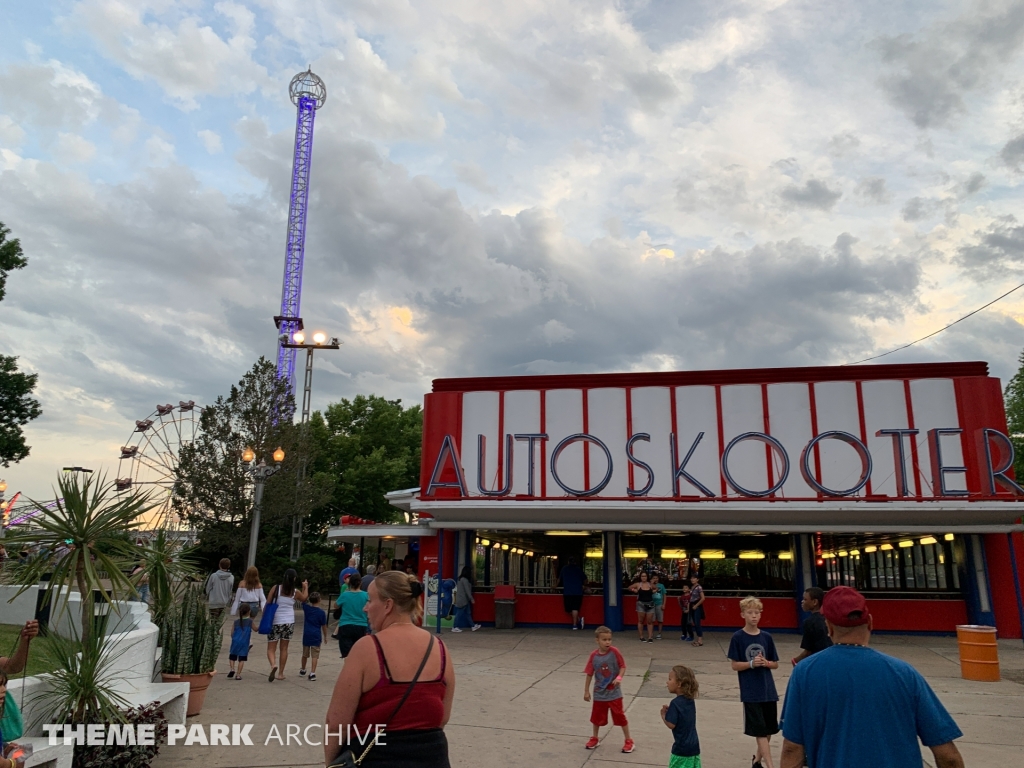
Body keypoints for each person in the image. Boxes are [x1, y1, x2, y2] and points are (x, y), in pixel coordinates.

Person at [780, 586, 964, 768]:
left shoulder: (804, 673)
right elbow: (948, 757)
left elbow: (792, 749)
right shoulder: (904, 674)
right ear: (870, 622)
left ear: (829, 627)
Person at [324, 571, 455, 767]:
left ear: (388, 605)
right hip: (432, 758)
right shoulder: (440, 649)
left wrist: (332, 764)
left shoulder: (367, 649)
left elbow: (336, 724)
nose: (365, 608)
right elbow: (442, 718)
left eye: (370, 600)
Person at [727, 596, 780, 768]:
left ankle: (757, 761)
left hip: (768, 689)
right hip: (751, 691)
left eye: (757, 612)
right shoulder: (738, 637)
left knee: (769, 729)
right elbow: (734, 665)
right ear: (743, 614)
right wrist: (751, 664)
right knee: (760, 732)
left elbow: (775, 663)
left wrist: (766, 663)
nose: (754, 616)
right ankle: (770, 765)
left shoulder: (766, 637)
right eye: (750, 613)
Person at [583, 626, 633, 753]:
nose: (607, 642)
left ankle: (628, 740)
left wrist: (619, 677)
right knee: (596, 717)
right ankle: (595, 738)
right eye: (604, 640)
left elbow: (623, 666)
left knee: (620, 716)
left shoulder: (614, 652)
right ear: (597, 640)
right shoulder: (594, 656)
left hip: (614, 693)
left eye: (609, 639)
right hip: (599, 693)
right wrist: (586, 691)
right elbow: (589, 673)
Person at [266, 568, 308, 682]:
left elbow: (268, 603)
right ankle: (280, 673)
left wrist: (265, 618)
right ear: (294, 579)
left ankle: (273, 665)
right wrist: (305, 587)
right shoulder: (295, 592)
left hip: (275, 621)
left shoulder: (276, 588)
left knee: (271, 648)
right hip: (289, 622)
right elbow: (304, 599)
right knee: (284, 648)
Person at [660, 665, 701, 768]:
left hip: (681, 750)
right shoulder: (690, 700)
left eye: (670, 679)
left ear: (679, 684)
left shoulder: (675, 703)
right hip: (694, 747)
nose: (667, 682)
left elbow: (671, 724)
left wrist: (663, 715)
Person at [791, 586, 831, 666]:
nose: (802, 602)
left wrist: (795, 660)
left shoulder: (809, 622)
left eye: (805, 599)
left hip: (818, 661)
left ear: (815, 602)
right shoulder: (829, 618)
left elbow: (808, 651)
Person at [336, 573, 369, 658]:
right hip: (361, 625)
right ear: (360, 583)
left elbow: (336, 605)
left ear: (350, 583)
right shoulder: (366, 595)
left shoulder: (345, 595)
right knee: (359, 653)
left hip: (346, 625)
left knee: (347, 654)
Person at [300, 592, 328, 681]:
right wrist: (325, 636)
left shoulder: (307, 609)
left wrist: (305, 588)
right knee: (315, 655)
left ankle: (303, 669)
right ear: (319, 600)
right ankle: (312, 673)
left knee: (305, 654)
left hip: (307, 634)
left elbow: (303, 600)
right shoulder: (321, 612)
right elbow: (324, 626)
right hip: (316, 635)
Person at [558, 557, 585, 630]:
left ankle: (575, 624)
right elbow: (585, 580)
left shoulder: (564, 569)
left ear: (568, 562)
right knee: (575, 608)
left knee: (568, 610)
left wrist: (554, 586)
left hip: (567, 592)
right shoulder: (578, 569)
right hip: (578, 592)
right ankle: (577, 621)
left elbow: (559, 579)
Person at [228, 603, 253, 680]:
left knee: (232, 656)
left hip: (235, 641)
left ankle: (232, 669)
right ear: (249, 612)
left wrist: (234, 638)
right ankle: (238, 675)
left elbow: (232, 633)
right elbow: (256, 629)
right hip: (244, 643)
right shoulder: (250, 621)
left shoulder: (236, 622)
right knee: (241, 659)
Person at [452, 565, 481, 633]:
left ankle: (473, 626)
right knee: (459, 613)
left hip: (462, 599)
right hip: (463, 600)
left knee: (468, 613)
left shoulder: (460, 579)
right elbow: (467, 590)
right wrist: (471, 599)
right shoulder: (465, 580)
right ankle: (455, 626)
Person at [629, 571, 656, 643]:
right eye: (642, 576)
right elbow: (629, 587)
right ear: (640, 577)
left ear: (647, 577)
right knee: (641, 621)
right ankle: (641, 636)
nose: (644, 578)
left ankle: (650, 637)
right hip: (641, 604)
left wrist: (654, 591)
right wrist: (634, 590)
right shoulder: (638, 584)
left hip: (650, 604)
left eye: (645, 576)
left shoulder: (650, 584)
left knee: (649, 621)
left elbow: (656, 588)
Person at [688, 574, 705, 647]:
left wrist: (696, 605)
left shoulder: (699, 587)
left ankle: (700, 640)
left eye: (694, 578)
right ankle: (698, 639)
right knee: (695, 623)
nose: (692, 579)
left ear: (697, 579)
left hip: (696, 607)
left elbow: (703, 598)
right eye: (691, 578)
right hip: (692, 606)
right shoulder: (692, 587)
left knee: (697, 623)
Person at [650, 573, 667, 640]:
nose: (655, 579)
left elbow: (664, 595)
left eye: (656, 578)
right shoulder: (649, 585)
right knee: (652, 620)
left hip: (659, 604)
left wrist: (664, 604)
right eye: (654, 578)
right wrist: (651, 584)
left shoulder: (661, 586)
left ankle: (659, 633)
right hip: (651, 604)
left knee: (660, 620)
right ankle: (651, 633)